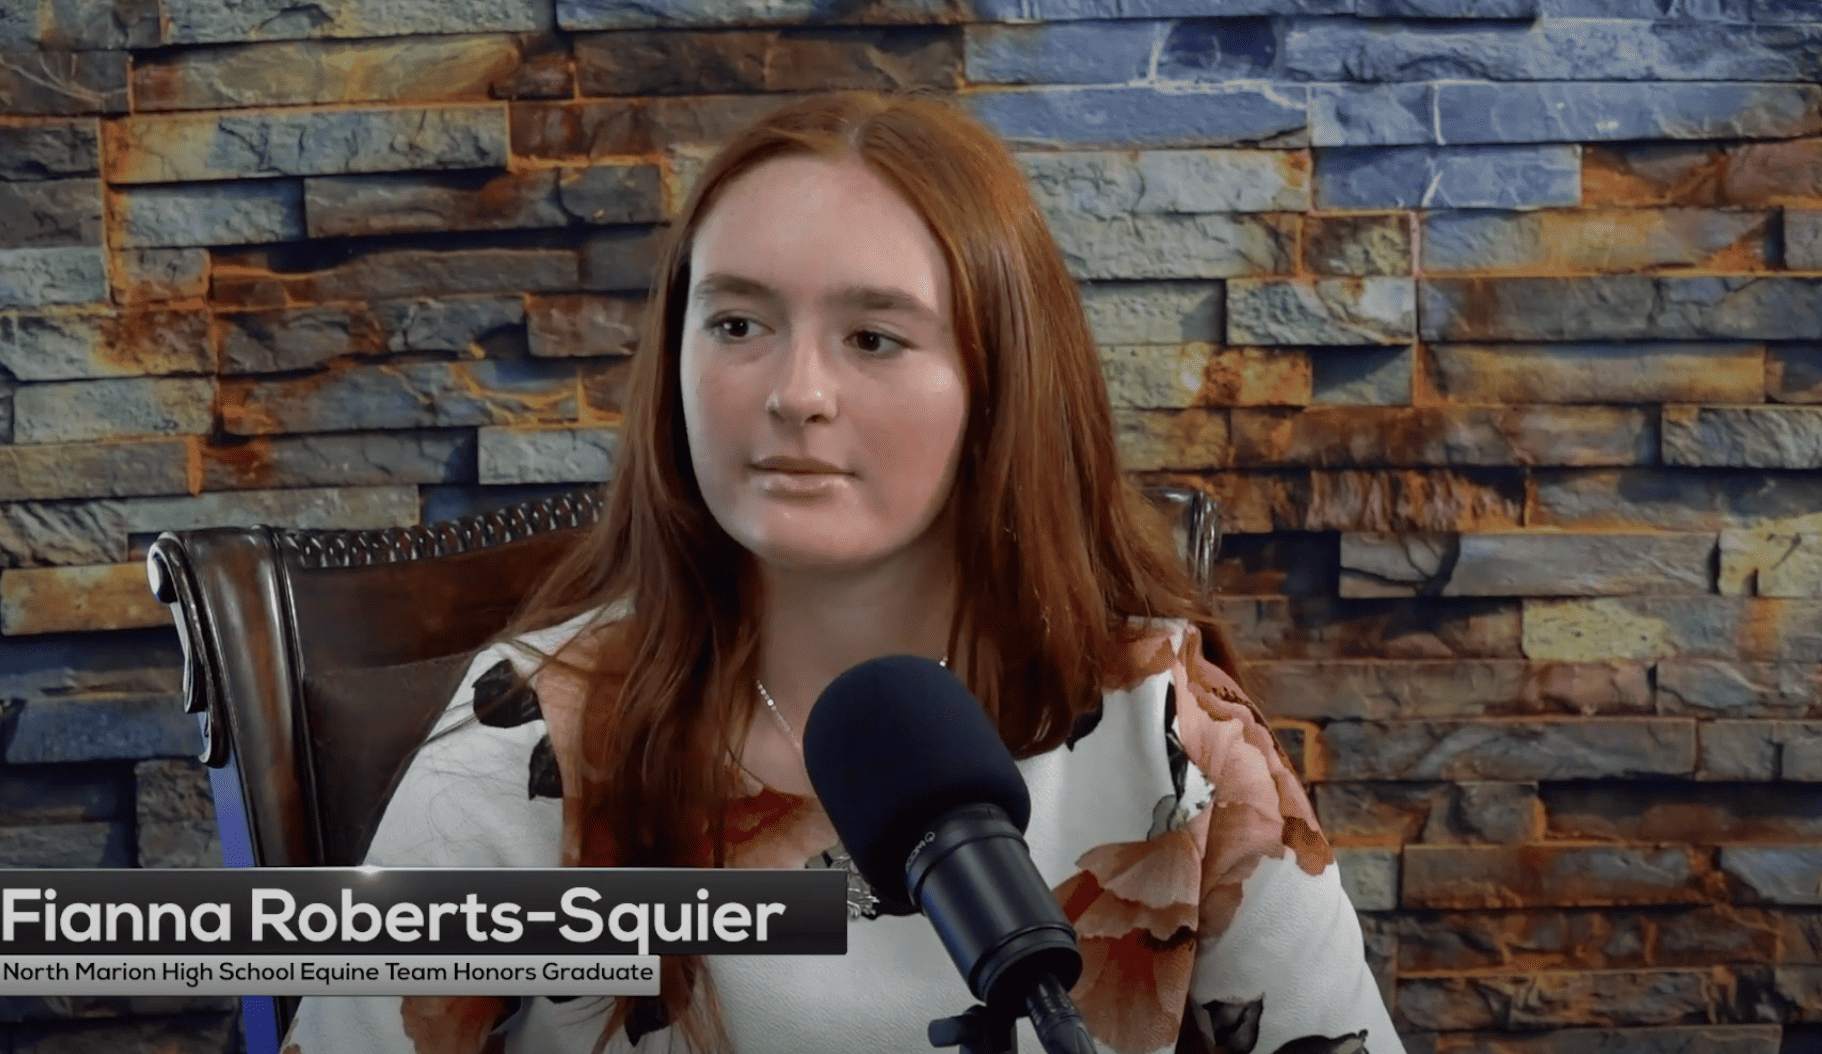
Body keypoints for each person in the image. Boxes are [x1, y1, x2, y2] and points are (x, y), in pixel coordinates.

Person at [283, 86, 1404, 1054]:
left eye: (872, 338)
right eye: (737, 324)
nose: (795, 393)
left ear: (998, 386)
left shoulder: (1168, 734)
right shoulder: (529, 742)